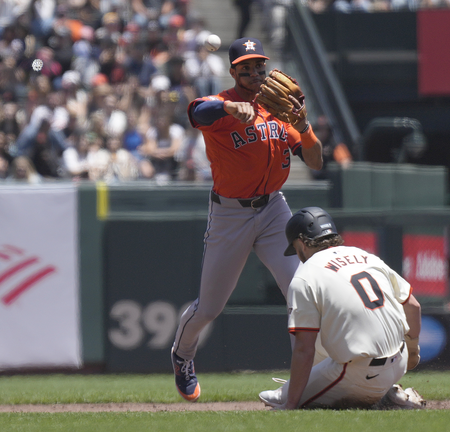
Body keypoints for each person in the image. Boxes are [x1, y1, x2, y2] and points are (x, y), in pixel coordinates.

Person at [170, 37, 323, 402]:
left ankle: (311, 378)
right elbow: (196, 113)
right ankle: (182, 356)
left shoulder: (280, 111)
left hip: (273, 210)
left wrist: (305, 125)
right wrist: (229, 110)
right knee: (209, 307)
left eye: (259, 66)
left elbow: (316, 162)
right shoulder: (221, 105)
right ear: (233, 72)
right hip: (229, 214)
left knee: (300, 293)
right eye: (246, 67)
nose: (255, 72)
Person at [258, 207, 424, 410]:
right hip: (400, 361)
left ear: (301, 242)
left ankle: (386, 398)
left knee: (278, 399)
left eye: (295, 247)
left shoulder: (305, 276)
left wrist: (291, 404)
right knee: (326, 333)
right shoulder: (365, 256)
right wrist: (413, 351)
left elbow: (303, 349)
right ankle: (387, 391)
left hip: (358, 372)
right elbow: (413, 305)